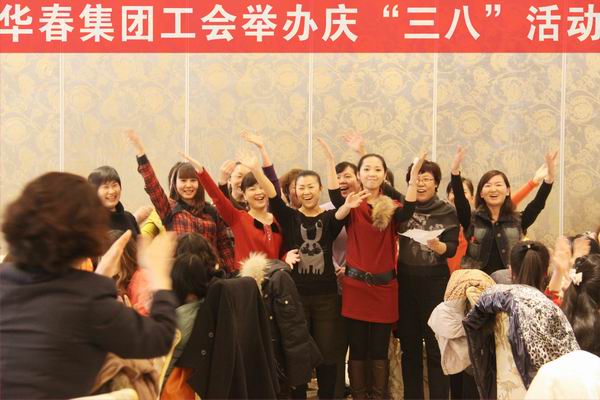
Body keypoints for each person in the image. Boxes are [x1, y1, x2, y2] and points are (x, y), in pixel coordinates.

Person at [0, 172, 178, 399]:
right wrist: (159, 277)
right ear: (87, 231)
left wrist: (101, 277)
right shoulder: (88, 299)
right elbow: (159, 339)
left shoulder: (5, 280)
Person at [253, 138, 355, 399]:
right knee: (297, 355)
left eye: (311, 186)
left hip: (326, 298)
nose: (306, 191)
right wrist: (259, 161)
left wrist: (330, 160)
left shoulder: (329, 218)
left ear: (320, 189)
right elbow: (272, 190)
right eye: (301, 188)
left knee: (328, 355)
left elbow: (342, 209)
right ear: (295, 192)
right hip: (294, 298)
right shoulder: (289, 216)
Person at [331, 151, 425, 399]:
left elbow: (409, 210)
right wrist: (330, 159)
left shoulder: (392, 206)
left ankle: (378, 396)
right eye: (366, 169)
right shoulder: (352, 203)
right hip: (355, 287)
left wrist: (413, 179)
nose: (371, 173)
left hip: (384, 288)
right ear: (358, 174)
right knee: (358, 348)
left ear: (384, 175)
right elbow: (334, 200)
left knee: (379, 350)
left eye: (377, 169)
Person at [394, 159, 459, 400]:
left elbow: (452, 247)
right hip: (406, 283)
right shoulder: (403, 208)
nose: (421, 183)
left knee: (435, 347)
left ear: (436, 183)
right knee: (409, 348)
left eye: (426, 179)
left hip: (435, 283)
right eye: (416, 178)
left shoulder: (448, 210)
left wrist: (441, 247)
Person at [126, 130, 234, 272]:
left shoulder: (211, 212)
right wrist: (141, 153)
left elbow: (224, 245)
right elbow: (153, 186)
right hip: (181, 274)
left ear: (200, 183)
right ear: (175, 184)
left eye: (193, 180)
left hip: (211, 274)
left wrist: (231, 272)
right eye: (183, 180)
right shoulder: (169, 208)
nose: (188, 185)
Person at [450, 146, 556, 275]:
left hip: (509, 281)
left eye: (498, 185)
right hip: (476, 281)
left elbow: (537, 205)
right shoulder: (471, 219)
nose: (493, 189)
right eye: (488, 185)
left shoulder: (518, 220)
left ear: (507, 191)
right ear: (481, 193)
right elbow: (460, 201)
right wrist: (455, 172)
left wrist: (549, 180)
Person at [182, 144, 284, 270]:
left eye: (262, 188)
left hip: (277, 277)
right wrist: (201, 172)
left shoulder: (278, 218)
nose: (258, 192)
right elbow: (218, 198)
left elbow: (285, 250)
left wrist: (286, 257)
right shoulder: (239, 218)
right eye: (252, 189)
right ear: (244, 195)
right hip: (247, 279)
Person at [88, 166, 141, 237]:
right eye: (106, 187)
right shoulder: (91, 222)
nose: (112, 191)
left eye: (114, 185)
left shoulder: (129, 218)